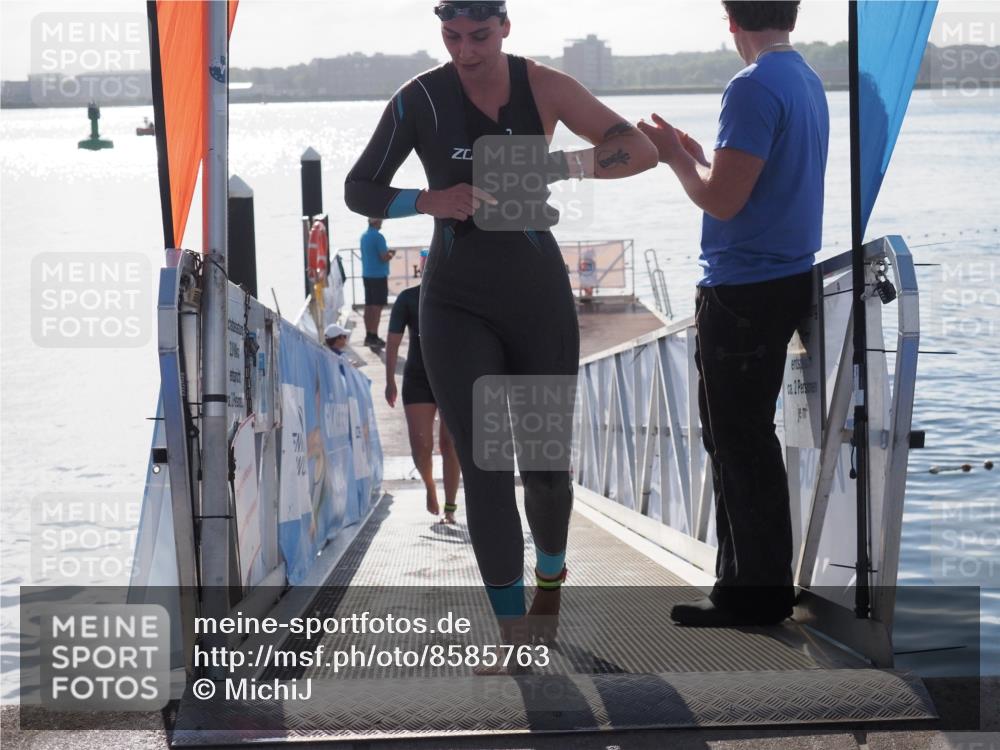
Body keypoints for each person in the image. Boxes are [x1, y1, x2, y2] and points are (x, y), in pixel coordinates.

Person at [345, 0, 657, 641]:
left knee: (544, 466)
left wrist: (561, 163)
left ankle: (550, 583)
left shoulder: (545, 86)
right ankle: (514, 637)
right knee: (487, 466)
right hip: (456, 302)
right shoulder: (420, 100)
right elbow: (360, 188)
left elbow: (640, 149)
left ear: (505, 27)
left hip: (536, 296)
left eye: (479, 35)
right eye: (452, 36)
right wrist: (430, 199)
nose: (465, 50)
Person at [637, 0, 829, 627]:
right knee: (747, 439)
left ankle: (754, 593)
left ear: (729, 20)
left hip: (742, 289)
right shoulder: (804, 79)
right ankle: (755, 583)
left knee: (735, 441)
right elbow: (753, 183)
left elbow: (721, 201)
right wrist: (698, 154)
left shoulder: (751, 87)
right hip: (786, 277)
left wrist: (672, 158)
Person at [386, 284, 461, 524]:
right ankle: (430, 486)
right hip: (418, 377)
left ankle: (450, 508)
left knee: (449, 444)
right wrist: (389, 380)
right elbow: (393, 341)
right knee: (421, 446)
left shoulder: (458, 292)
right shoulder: (408, 298)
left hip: (452, 377)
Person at [359, 218, 394, 348]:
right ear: (376, 222)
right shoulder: (378, 237)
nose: (382, 222)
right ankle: (373, 335)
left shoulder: (364, 236)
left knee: (368, 305)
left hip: (367, 274)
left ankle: (368, 335)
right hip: (378, 275)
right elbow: (384, 257)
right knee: (377, 307)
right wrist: (391, 254)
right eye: (380, 220)